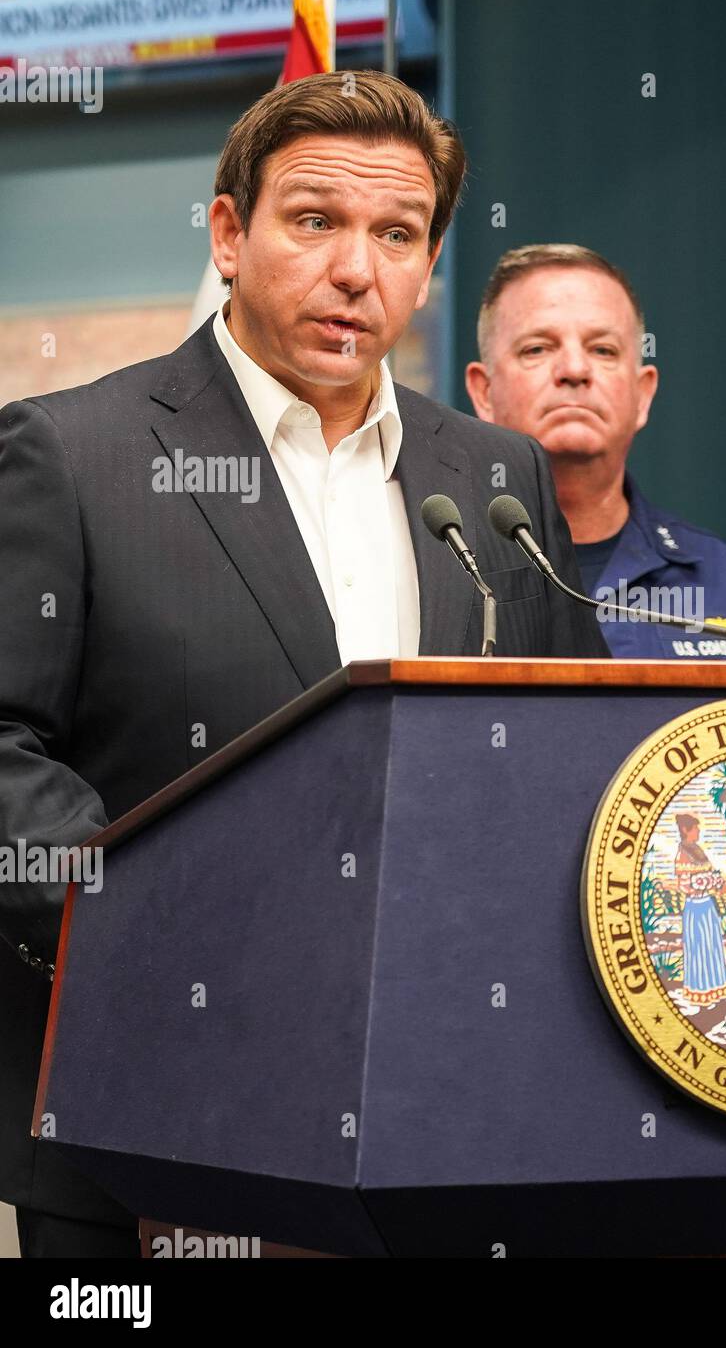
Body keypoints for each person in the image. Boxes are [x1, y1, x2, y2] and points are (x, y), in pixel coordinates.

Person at [0, 70, 606, 1258]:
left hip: (436, 1114)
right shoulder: (74, 452)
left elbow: (567, 748)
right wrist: (150, 927)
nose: (356, 269)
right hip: (147, 1113)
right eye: (315, 220)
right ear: (229, 234)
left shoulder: (494, 477)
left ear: (428, 263)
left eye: (397, 234)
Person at [465, 244, 726, 659]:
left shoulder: (721, 577)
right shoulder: (437, 566)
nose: (574, 370)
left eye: (604, 350)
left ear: (643, 394)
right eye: (537, 348)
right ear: (484, 393)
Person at [674, 814, 726, 1005]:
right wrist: (704, 885)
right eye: (695, 828)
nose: (698, 831)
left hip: (707, 905)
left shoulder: (698, 851)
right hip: (696, 907)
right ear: (685, 831)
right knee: (699, 947)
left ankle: (715, 988)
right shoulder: (683, 854)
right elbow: (683, 885)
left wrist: (718, 883)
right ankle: (700, 990)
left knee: (711, 945)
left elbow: (711, 873)